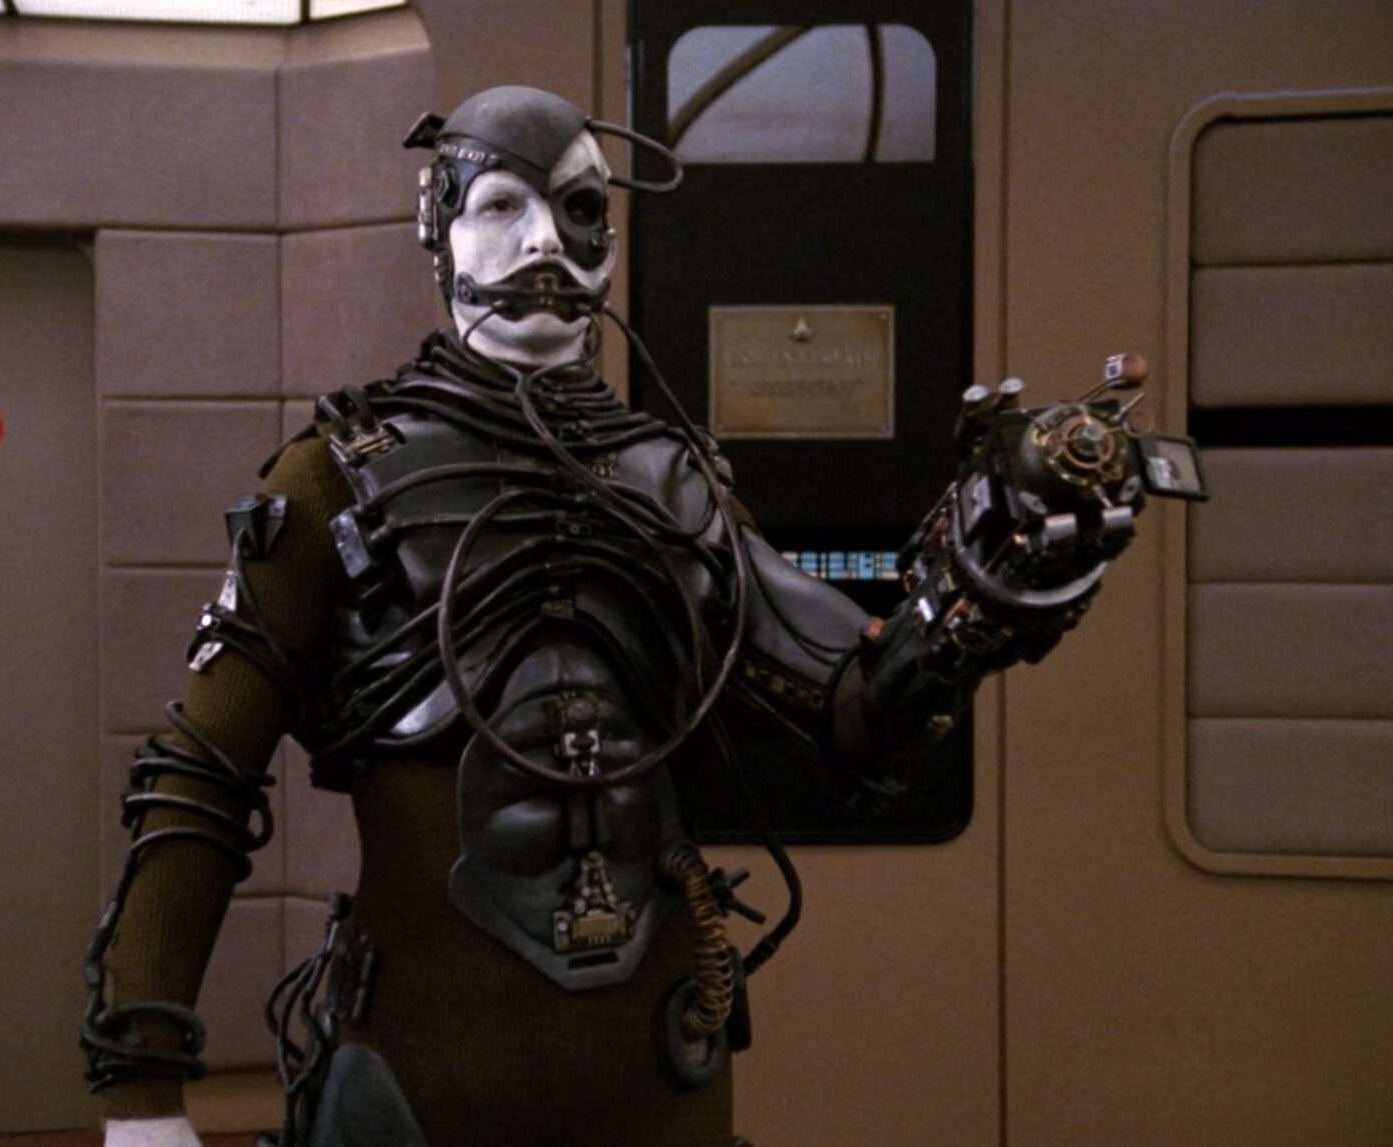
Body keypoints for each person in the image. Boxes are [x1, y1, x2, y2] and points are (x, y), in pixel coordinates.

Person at [83, 85, 1189, 1147]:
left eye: (576, 208)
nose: (543, 243)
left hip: (652, 1070)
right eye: (501, 206)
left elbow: (854, 711)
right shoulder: (332, 480)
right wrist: (142, 1084)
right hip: (421, 1069)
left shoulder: (674, 483)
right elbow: (202, 771)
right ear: (438, 230)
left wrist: (981, 596)